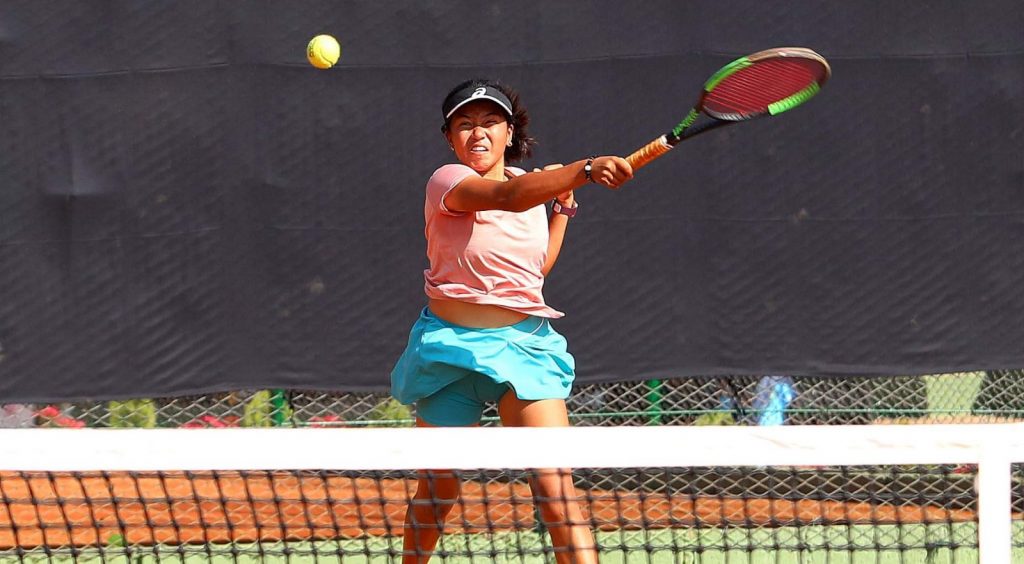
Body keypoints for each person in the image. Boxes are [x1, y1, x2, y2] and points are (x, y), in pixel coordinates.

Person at [390, 78, 633, 564]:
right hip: (450, 353)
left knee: (555, 490)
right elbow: (508, 197)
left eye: (489, 122)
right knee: (436, 491)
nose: (477, 133)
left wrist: (562, 207)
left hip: (525, 350)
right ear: (450, 138)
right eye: (464, 124)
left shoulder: (532, 190)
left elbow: (532, 272)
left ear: (509, 133)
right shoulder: (448, 181)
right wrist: (583, 170)